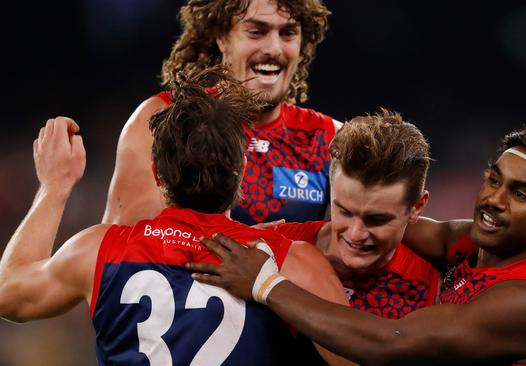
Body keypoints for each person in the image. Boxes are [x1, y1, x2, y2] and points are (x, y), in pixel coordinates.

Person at [0, 69, 351, 365]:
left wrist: (55, 185)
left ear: (157, 172)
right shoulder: (289, 260)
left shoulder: (98, 249)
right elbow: (362, 350)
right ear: (242, 170)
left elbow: (9, 295)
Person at [191, 121, 526, 365]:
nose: (494, 200)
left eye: (521, 193)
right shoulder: (477, 243)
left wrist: (266, 284)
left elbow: (391, 343)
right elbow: (382, 223)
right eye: (494, 180)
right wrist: (271, 236)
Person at [103, 0, 341, 227]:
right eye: (256, 32)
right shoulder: (165, 120)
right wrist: (256, 248)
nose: (273, 49)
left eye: (288, 33)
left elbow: (355, 251)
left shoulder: (331, 140)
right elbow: (127, 254)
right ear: (222, 37)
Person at [253, 110, 470, 318]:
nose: (356, 234)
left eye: (377, 219)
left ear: (416, 207)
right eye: (344, 212)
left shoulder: (433, 291)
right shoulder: (265, 249)